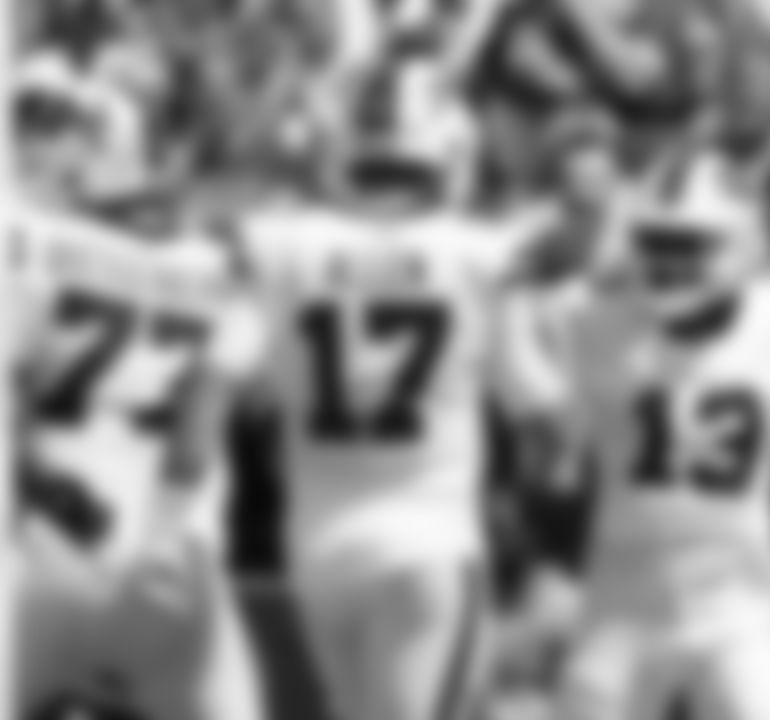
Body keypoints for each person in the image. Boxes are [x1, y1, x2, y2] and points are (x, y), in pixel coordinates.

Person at [231, 56, 564, 720]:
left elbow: (244, 389)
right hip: (429, 544)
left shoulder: (277, 245)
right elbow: (537, 401)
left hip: (316, 550)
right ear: (450, 151)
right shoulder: (485, 255)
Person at [543, 150, 770, 720]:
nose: (668, 262)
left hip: (736, 612)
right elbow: (559, 456)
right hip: (622, 607)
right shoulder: (596, 326)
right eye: (657, 242)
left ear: (743, 246)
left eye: (688, 244)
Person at [12, 56, 264, 720]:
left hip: (38, 549)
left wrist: (40, 491)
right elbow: (193, 447)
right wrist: (158, 542)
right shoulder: (223, 272)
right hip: (166, 558)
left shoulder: (31, 244)